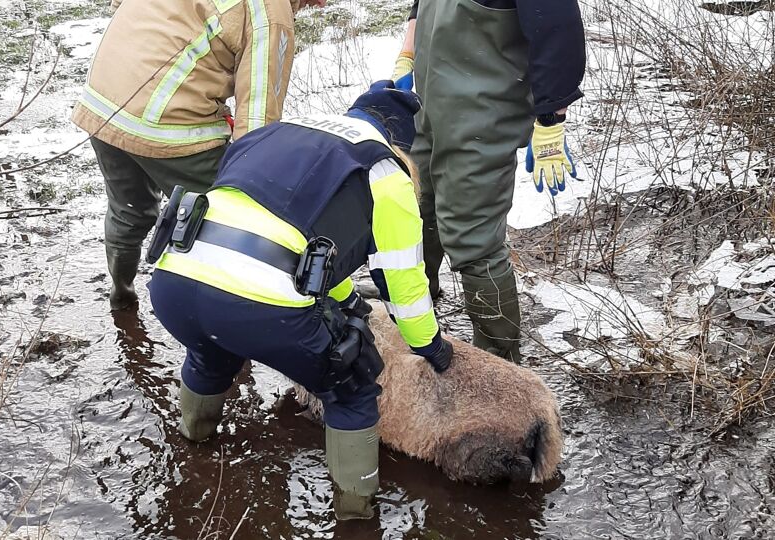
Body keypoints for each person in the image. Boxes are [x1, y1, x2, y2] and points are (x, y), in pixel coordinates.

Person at [146, 81, 453, 520]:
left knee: (210, 349)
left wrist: (347, 299)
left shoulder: (273, 133)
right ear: (400, 142)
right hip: (262, 309)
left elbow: (291, 236)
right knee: (351, 390)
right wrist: (430, 346)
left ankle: (193, 445)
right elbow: (402, 282)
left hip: (174, 283)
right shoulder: (386, 171)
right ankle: (356, 515)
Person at [71, 0, 324, 311]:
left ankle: (122, 298)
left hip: (102, 103)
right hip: (166, 123)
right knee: (234, 221)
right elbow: (258, 120)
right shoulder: (270, 11)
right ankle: (229, 313)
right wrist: (256, 192)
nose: (321, 4)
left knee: (129, 210)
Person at [391, 0, 587, 362]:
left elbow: (558, 30)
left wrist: (551, 119)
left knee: (473, 236)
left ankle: (499, 360)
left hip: (482, 117)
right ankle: (416, 299)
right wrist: (407, 55)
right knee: (416, 205)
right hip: (429, 103)